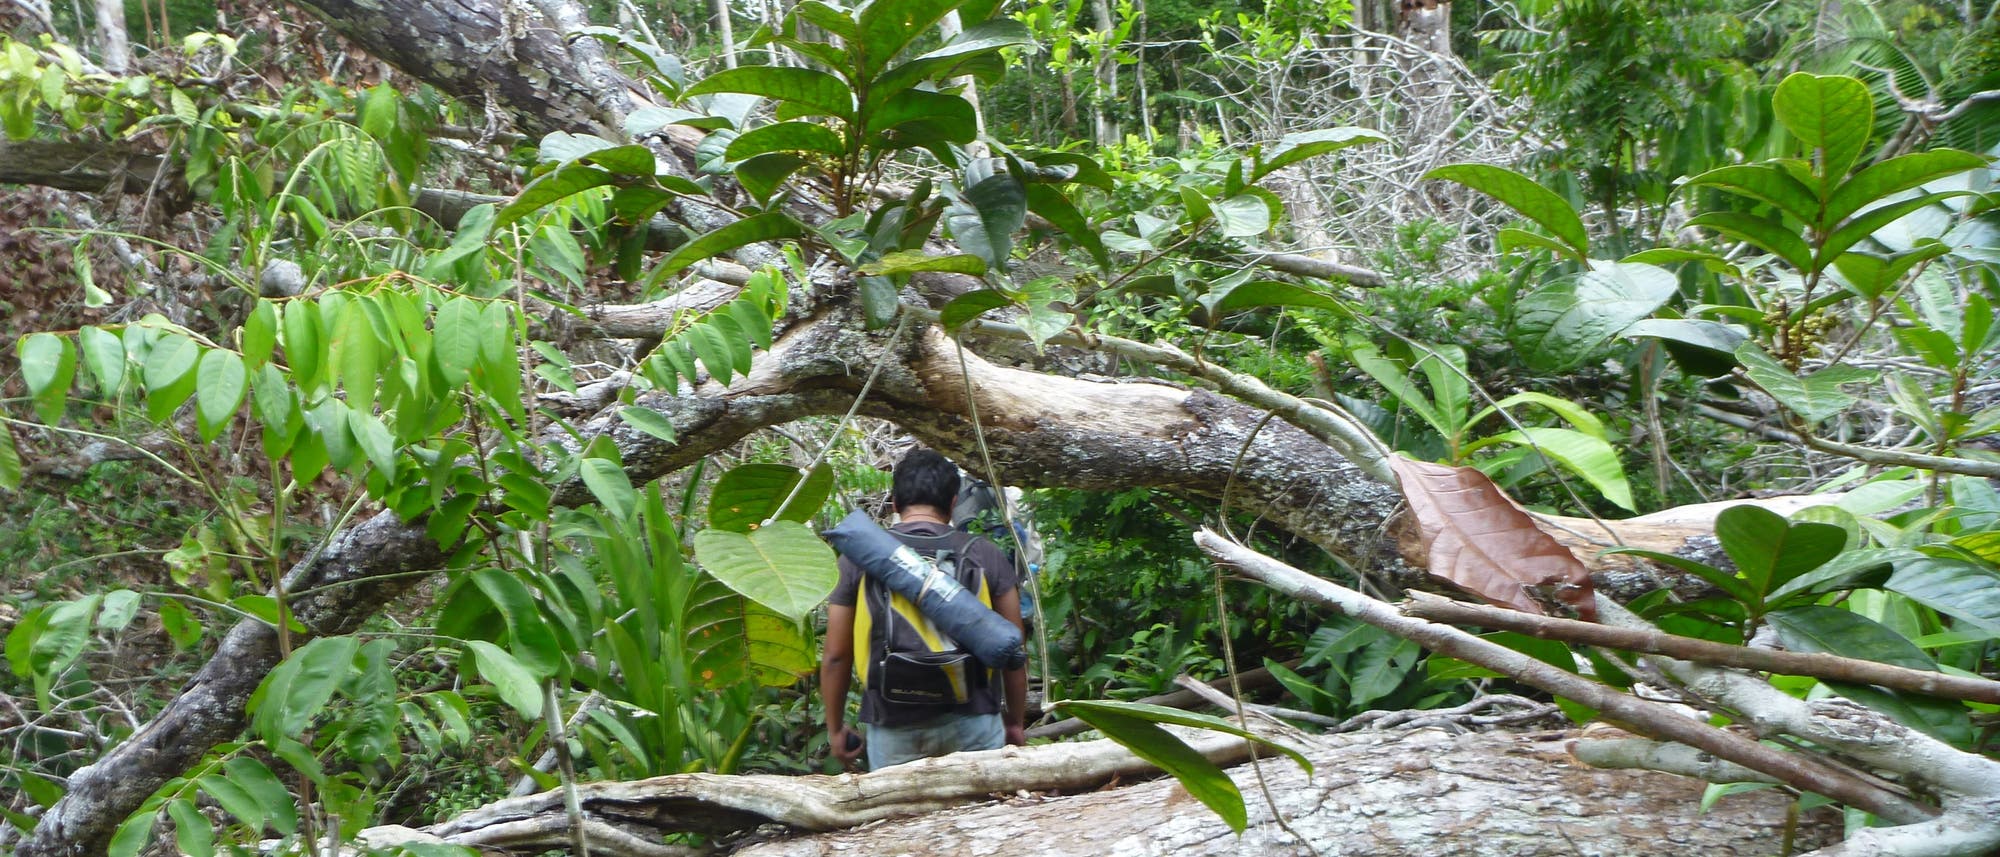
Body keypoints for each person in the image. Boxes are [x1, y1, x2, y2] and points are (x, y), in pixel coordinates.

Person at [822, 448, 1029, 771]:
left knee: (901, 821)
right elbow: (1014, 649)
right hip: (973, 719)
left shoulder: (857, 559)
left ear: (894, 503)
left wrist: (835, 728)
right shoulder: (984, 554)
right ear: (952, 503)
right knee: (984, 818)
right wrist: (1015, 721)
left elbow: (836, 654)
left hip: (892, 723)